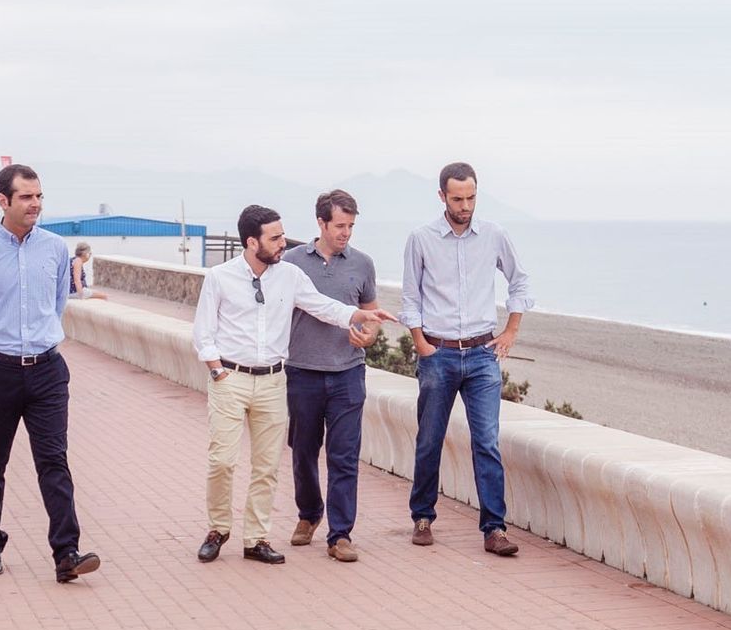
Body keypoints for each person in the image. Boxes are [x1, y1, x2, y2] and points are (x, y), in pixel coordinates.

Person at [192, 205, 395, 565]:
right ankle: (218, 529)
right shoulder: (220, 277)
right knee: (222, 461)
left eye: (283, 235)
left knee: (267, 466)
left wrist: (359, 314)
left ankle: (256, 538)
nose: (283, 243)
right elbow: (203, 332)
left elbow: (322, 306)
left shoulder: (290, 275)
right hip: (231, 379)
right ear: (252, 242)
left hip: (273, 381)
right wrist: (218, 372)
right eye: (275, 238)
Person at [0, 164, 101, 584]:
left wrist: (34, 343)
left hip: (47, 371)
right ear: (3, 201)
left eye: (39, 196)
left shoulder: (55, 249)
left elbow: (57, 305)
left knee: (54, 461)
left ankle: (66, 553)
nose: (35, 204)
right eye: (26, 197)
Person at [400, 162, 533, 556]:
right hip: (437, 354)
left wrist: (511, 330)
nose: (465, 206)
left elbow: (520, 281)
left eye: (471, 198)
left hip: (482, 356)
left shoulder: (494, 235)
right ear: (442, 196)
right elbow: (410, 297)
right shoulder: (421, 239)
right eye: (457, 199)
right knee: (429, 439)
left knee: (487, 442)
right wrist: (421, 343)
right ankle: (422, 517)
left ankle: (494, 529)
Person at [284, 191, 380, 563]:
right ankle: (309, 513)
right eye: (340, 225)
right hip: (302, 372)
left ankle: (340, 534)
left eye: (351, 226)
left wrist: (368, 336)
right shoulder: (291, 262)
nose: (346, 233)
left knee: (344, 457)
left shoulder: (363, 264)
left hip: (348, 374)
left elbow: (371, 316)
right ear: (321, 223)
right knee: (303, 451)